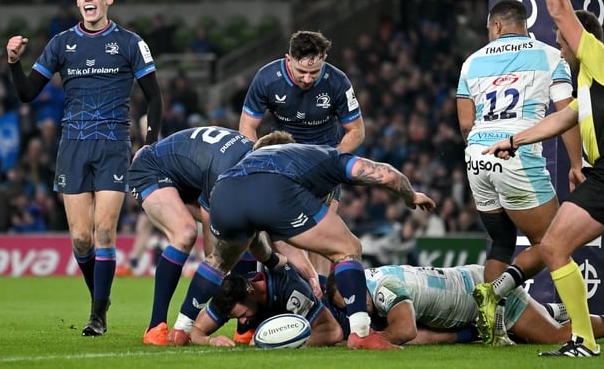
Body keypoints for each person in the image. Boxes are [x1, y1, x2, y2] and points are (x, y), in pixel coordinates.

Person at [481, 0, 604, 357]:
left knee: (555, 246)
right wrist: (516, 141)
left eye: (562, 41)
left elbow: (561, 11)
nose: (560, 46)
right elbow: (563, 121)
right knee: (556, 246)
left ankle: (584, 339)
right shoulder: (593, 85)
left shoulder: (601, 61)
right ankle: (584, 340)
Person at [5, 0, 163, 337]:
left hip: (113, 144)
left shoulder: (129, 42)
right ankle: (101, 299)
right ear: (77, 1)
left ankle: (97, 317)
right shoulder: (61, 44)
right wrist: (14, 63)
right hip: (73, 145)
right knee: (80, 238)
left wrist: (149, 144)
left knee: (104, 230)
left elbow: (154, 97)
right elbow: (28, 92)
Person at [168, 143, 435, 350]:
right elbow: (386, 175)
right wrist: (411, 196)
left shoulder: (261, 156)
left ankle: (180, 329)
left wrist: (274, 261)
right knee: (348, 247)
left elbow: (255, 241)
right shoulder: (332, 158)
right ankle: (361, 334)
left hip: (224, 191)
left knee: (218, 261)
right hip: (274, 188)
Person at [455, 0, 583, 345]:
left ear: (496, 26)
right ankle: (496, 291)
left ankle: (493, 329)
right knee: (552, 240)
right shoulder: (549, 55)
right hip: (516, 154)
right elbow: (567, 112)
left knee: (501, 241)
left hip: (477, 156)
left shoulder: (471, 61)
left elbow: (465, 123)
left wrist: (482, 152)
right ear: (521, 24)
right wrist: (576, 163)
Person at [129, 126, 305, 345]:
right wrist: (216, 278)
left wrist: (273, 261)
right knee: (185, 233)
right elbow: (210, 226)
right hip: (151, 168)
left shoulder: (252, 162)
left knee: (246, 227)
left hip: (190, 177)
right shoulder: (228, 171)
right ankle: (156, 327)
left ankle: (245, 327)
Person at [238, 30, 366, 294]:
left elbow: (356, 131)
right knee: (279, 239)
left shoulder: (338, 82)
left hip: (321, 168)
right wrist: (257, 161)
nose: (308, 79)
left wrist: (333, 161)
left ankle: (319, 306)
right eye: (301, 72)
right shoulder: (267, 78)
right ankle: (278, 299)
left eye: (314, 72)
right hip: (281, 167)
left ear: (324, 60)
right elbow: (247, 127)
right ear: (289, 59)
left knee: (322, 241)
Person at [324, 264, 604, 346]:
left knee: (556, 336)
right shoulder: (373, 279)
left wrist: (368, 341)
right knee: (533, 326)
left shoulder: (382, 289)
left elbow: (406, 330)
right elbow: (421, 335)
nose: (356, 309)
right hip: (468, 286)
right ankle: (553, 310)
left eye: (352, 302)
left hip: (482, 293)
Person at [190, 263, 343, 347]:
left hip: (339, 312)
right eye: (236, 318)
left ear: (251, 292)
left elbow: (333, 332)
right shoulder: (229, 295)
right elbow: (196, 331)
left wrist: (280, 344)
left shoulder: (291, 290)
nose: (243, 322)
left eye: (243, 315)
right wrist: (210, 341)